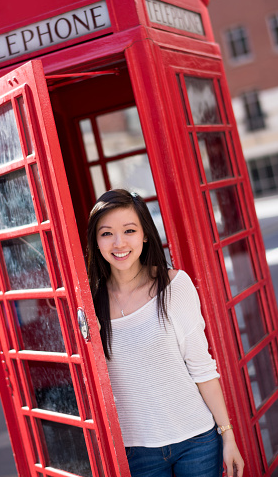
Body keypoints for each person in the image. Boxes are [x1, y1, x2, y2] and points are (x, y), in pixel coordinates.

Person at [87, 189, 244, 477]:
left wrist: (228, 435)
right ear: (95, 241)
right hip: (136, 451)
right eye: (107, 233)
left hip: (197, 441)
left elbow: (202, 367)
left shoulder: (173, 286)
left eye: (129, 230)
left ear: (145, 235)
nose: (119, 243)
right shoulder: (89, 305)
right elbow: (91, 387)